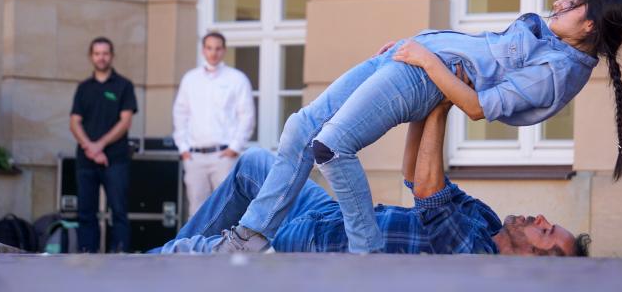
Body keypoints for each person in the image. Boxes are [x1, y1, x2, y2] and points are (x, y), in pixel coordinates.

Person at [211, 0, 622, 254]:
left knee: (331, 147)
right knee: (300, 126)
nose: (559, 3)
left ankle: (366, 256)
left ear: (590, 26)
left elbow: (478, 105)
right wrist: (415, 47)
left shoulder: (557, 73)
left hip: (422, 74)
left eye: (572, 4)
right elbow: (421, 179)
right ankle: (253, 233)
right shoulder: (551, 44)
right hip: (408, 59)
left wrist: (429, 63)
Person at [154, 102, 591, 256]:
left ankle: (144, 270)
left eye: (546, 231)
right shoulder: (487, 222)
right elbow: (412, 175)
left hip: (317, 243)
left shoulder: (474, 256)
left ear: (535, 261)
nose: (538, 218)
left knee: (179, 253)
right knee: (254, 164)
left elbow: (428, 190)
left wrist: (442, 102)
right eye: (544, 221)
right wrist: (425, 104)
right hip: (334, 213)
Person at [172, 31, 255, 216]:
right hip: (195, 157)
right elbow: (180, 114)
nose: (213, 53)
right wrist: (183, 148)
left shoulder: (236, 79)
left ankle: (225, 246)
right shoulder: (190, 79)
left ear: (224, 50)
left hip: (224, 156)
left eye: (218, 48)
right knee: (196, 210)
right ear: (203, 50)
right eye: (209, 48)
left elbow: (247, 116)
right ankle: (197, 246)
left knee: (228, 207)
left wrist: (235, 147)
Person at [70, 37, 138, 252]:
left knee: (118, 210)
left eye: (105, 53)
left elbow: (125, 121)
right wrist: (90, 147)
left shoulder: (124, 85)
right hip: (86, 160)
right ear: (91, 56)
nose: (101, 57)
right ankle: (87, 256)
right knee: (85, 212)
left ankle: (119, 256)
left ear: (112, 55)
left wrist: (99, 145)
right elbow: (74, 122)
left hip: (116, 158)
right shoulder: (83, 88)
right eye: (97, 53)